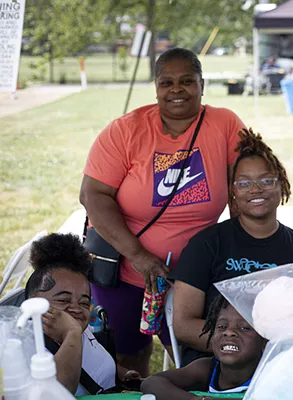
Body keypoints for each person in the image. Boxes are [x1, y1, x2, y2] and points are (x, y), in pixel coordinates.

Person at [79, 47, 245, 376]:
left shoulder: (224, 124)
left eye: (187, 81)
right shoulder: (125, 130)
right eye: (166, 82)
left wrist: (235, 247)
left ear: (201, 84)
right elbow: (93, 195)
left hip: (194, 278)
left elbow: (244, 183)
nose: (176, 89)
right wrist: (138, 256)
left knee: (198, 364)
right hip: (125, 273)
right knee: (124, 364)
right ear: (156, 87)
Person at [168, 128, 293, 366]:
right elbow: (184, 325)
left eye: (267, 180)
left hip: (281, 364)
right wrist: (241, 345)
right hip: (216, 363)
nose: (256, 189)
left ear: (283, 185)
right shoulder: (207, 244)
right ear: (233, 191)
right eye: (244, 182)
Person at [24, 233, 140, 396]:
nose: (76, 308)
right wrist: (71, 333)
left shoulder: (77, 325)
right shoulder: (32, 348)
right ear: (35, 303)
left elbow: (93, 355)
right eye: (64, 300)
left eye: (84, 302)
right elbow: (59, 392)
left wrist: (119, 373)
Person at [141, 294, 267, 399]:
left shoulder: (270, 375)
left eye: (244, 328)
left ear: (265, 341)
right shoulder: (207, 368)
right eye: (222, 327)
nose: (229, 332)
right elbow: (152, 382)